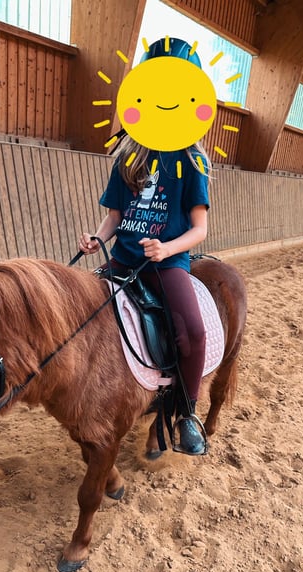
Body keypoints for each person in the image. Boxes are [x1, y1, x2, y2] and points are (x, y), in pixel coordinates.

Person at [79, 135, 211, 455]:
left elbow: (200, 229)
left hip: (166, 264)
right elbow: (115, 217)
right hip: (122, 260)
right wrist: (97, 238)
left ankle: (186, 413)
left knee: (193, 332)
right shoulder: (127, 157)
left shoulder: (192, 161)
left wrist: (166, 249)